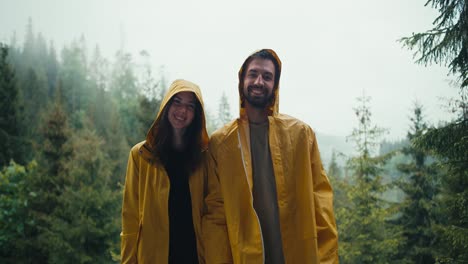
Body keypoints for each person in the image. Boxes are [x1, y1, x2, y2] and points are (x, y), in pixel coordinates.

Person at [203, 49, 339, 264]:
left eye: (267, 76)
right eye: (253, 74)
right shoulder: (221, 143)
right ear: (242, 80)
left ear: (275, 85)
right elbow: (216, 214)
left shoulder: (301, 135)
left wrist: (326, 259)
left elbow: (321, 204)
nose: (259, 81)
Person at [120, 79, 209, 263]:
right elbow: (130, 216)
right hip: (154, 256)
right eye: (177, 102)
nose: (182, 111)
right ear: (166, 106)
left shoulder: (204, 158)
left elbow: (212, 212)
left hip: (194, 256)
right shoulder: (141, 155)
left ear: (197, 114)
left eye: (190, 106)